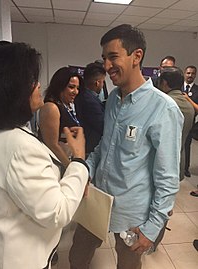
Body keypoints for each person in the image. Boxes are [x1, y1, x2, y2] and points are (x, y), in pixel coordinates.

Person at [69, 24, 183, 269]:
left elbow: (168, 178)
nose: (107, 66)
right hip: (98, 200)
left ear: (137, 56)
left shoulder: (163, 109)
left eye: (113, 57)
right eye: (104, 59)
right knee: (77, 257)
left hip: (132, 214)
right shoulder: (112, 102)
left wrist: (152, 228)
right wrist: (83, 170)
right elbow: (103, 148)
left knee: (128, 265)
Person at [0, 42, 89, 269]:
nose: (38, 85)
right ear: (14, 89)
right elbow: (57, 211)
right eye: (32, 80)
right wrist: (78, 160)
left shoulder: (9, 132)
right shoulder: (20, 146)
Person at [38, 67, 83, 168]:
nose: (76, 92)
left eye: (77, 88)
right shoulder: (51, 107)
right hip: (54, 165)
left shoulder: (66, 106)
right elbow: (52, 145)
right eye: (71, 87)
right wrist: (71, 168)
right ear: (60, 86)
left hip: (65, 160)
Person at [159, 67, 194, 180]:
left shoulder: (163, 103)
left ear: (164, 83)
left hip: (163, 165)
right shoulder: (189, 107)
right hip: (179, 162)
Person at [75, 62, 106, 155]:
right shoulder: (89, 100)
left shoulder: (83, 95)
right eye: (102, 81)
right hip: (90, 148)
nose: (103, 84)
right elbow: (102, 125)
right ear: (97, 83)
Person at [182, 65, 198, 177]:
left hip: (190, 123)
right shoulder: (178, 88)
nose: (190, 75)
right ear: (184, 74)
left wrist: (188, 98)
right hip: (176, 121)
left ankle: (185, 168)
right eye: (188, 73)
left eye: (192, 73)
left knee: (187, 146)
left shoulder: (197, 90)